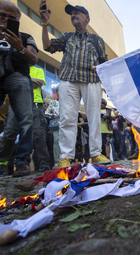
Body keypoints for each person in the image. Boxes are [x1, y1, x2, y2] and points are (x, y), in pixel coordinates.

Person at [39, 1, 110, 167]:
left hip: (91, 80)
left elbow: (104, 63)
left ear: (87, 18)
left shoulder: (96, 39)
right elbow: (47, 46)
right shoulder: (67, 37)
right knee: (67, 118)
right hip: (68, 79)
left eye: (77, 12)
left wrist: (99, 70)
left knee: (93, 117)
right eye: (72, 13)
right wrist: (44, 23)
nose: (73, 15)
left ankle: (96, 154)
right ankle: (66, 157)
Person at [0, 0, 38, 177]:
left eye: (11, 18)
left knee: (26, 120)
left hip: (18, 76)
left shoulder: (25, 37)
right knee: (8, 133)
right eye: (2, 15)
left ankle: (22, 162)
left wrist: (19, 47)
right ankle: (2, 161)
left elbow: (33, 58)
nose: (5, 19)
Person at [30, 65, 51, 171]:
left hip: (36, 103)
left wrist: (22, 80)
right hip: (17, 102)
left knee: (39, 135)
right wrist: (30, 81)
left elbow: (39, 82)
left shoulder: (38, 70)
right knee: (12, 133)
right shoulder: (15, 68)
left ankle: (43, 163)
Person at [45, 88, 60, 167]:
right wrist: (53, 116)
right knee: (56, 141)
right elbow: (46, 113)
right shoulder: (53, 102)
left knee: (68, 141)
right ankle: (57, 161)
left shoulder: (69, 102)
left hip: (67, 124)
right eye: (58, 92)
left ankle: (68, 159)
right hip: (57, 125)